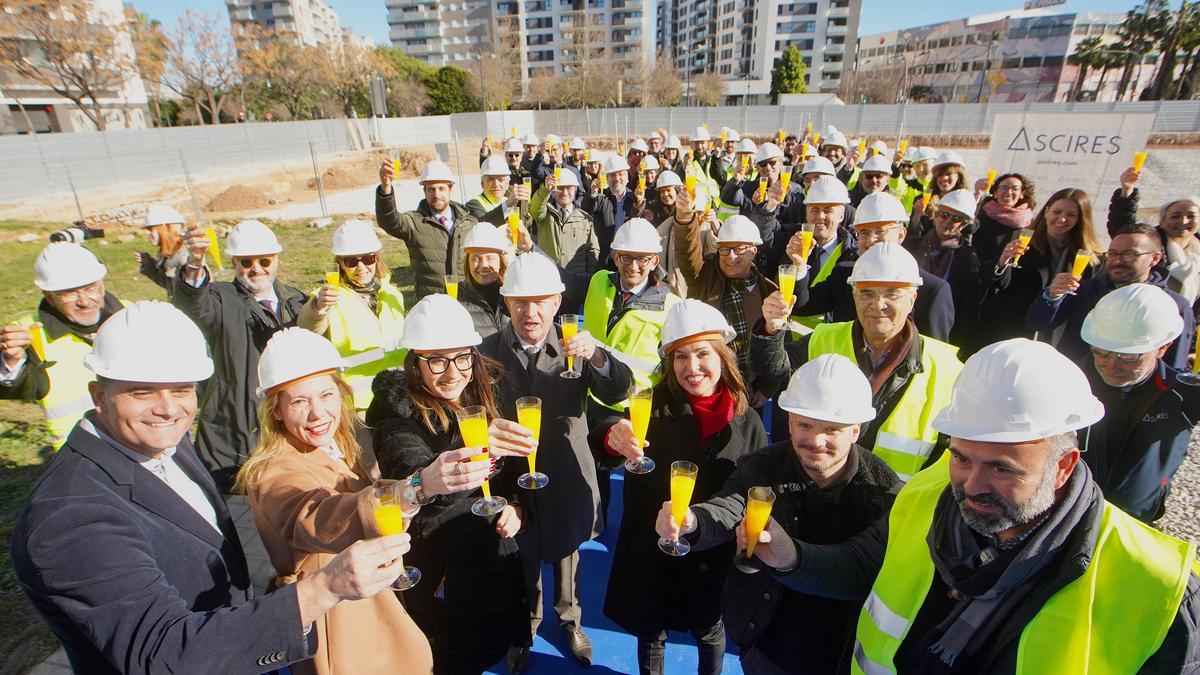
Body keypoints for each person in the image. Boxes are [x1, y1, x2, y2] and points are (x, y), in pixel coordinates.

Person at [11, 301, 416, 674]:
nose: (168, 408)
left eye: (182, 390)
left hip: (237, 646)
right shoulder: (71, 515)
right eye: (141, 391)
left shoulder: (165, 445)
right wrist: (324, 589)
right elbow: (163, 653)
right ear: (99, 395)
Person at [750, 338, 1200, 673]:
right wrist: (792, 559)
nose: (972, 485)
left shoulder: (1155, 588)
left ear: (1063, 466)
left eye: (1002, 469)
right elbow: (861, 565)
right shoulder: (928, 495)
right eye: (961, 458)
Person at [659, 354, 900, 674]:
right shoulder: (762, 466)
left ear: (856, 430)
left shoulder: (883, 493)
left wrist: (792, 557)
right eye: (805, 424)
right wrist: (694, 520)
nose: (816, 440)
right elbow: (730, 506)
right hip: (765, 641)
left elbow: (859, 567)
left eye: (832, 429)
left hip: (838, 653)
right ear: (789, 422)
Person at [235, 328, 434, 675]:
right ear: (276, 411)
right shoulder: (272, 472)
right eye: (299, 401)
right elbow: (316, 516)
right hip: (341, 622)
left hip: (368, 601)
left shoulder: (337, 443)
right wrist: (412, 490)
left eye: (326, 395)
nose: (317, 413)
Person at [596, 300, 767, 675]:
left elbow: (753, 491)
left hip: (713, 549)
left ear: (723, 356)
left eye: (703, 353)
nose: (692, 368)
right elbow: (607, 437)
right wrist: (614, 436)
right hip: (654, 543)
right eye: (680, 356)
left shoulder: (748, 420)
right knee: (650, 630)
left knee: (709, 627)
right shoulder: (652, 405)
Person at [481, 252, 635, 669]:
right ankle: (525, 627)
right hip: (514, 477)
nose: (530, 313)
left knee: (569, 548)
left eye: (541, 301)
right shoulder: (485, 353)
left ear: (557, 303)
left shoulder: (576, 345)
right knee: (520, 552)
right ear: (506, 303)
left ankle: (570, 621)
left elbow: (621, 389)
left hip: (566, 469)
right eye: (520, 303)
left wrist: (599, 356)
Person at [366, 295, 532, 674]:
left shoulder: (484, 394)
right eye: (437, 360)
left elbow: (510, 474)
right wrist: (466, 452)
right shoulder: (395, 417)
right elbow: (412, 470)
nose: (453, 372)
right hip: (445, 579)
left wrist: (519, 507)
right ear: (415, 363)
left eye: (462, 357)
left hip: (495, 561)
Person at [753, 242, 963, 481]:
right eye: (867, 293)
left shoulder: (947, 368)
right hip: (823, 491)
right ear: (854, 296)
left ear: (912, 299)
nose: (877, 304)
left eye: (891, 294)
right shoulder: (823, 338)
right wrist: (772, 328)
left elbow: (951, 457)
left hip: (894, 506)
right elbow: (773, 370)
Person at [175, 219, 307, 492]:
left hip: (286, 421)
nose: (256, 269)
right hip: (235, 427)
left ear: (276, 260)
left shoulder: (296, 300)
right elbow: (193, 304)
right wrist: (195, 263)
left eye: (264, 261)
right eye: (246, 262)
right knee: (234, 503)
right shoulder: (221, 298)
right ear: (234, 263)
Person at [1078, 284, 1199, 523]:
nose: (1112, 366)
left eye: (1129, 356)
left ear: (1163, 347)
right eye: (1101, 352)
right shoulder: (1071, 381)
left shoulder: (1180, 393)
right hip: (1067, 516)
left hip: (1134, 521)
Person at [0, 243, 122, 448]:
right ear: (49, 296)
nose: (84, 301)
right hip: (85, 457)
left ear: (101, 283)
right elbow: (19, 388)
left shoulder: (132, 314)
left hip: (153, 444)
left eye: (90, 288)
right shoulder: (29, 335)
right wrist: (10, 361)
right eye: (69, 293)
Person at [1026, 223, 1194, 370]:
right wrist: (1052, 296)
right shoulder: (1084, 289)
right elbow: (1037, 324)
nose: (1117, 260)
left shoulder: (1174, 305)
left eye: (1129, 254)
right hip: (1076, 382)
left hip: (1131, 396)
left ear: (1155, 258)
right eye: (1112, 253)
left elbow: (1174, 364)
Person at [795, 192, 956, 342]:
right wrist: (800, 265)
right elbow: (802, 305)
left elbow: (933, 350)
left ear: (901, 235)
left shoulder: (932, 291)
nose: (871, 240)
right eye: (864, 233)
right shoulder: (844, 274)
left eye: (880, 231)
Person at [675, 207, 792, 402]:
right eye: (725, 249)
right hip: (711, 387)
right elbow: (687, 252)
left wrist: (766, 388)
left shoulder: (770, 292)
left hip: (750, 390)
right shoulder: (704, 278)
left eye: (739, 249)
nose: (730, 256)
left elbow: (780, 345)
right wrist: (685, 218)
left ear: (753, 252)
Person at [971, 187, 1101, 356]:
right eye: (1057, 211)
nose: (1061, 219)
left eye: (1071, 215)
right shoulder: (1022, 239)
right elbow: (994, 282)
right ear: (1046, 211)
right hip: (1010, 331)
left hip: (1054, 337)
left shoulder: (1087, 257)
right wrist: (1002, 261)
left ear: (1081, 219)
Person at [296, 220, 407, 412]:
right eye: (351, 261)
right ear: (340, 263)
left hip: (400, 396)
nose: (361, 267)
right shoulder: (329, 297)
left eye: (367, 258)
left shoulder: (392, 294)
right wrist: (318, 307)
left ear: (377, 258)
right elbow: (308, 327)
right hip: (360, 405)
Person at [584, 217, 680, 408]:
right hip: (589, 395)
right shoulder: (599, 281)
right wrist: (530, 248)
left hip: (631, 408)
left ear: (654, 261)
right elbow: (566, 280)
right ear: (616, 258)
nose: (633, 267)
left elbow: (673, 372)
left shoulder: (671, 306)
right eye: (626, 257)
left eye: (642, 258)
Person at [376, 159, 481, 299]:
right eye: (431, 189)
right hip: (431, 306)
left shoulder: (469, 223)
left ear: (451, 189)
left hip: (467, 303)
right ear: (424, 191)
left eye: (441, 188)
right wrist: (385, 190)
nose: (436, 195)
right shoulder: (414, 222)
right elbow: (389, 221)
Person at [772, 176, 856, 331]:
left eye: (828, 210)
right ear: (806, 213)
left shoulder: (853, 257)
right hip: (791, 342)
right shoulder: (789, 242)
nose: (820, 217)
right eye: (815, 210)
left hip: (829, 343)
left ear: (841, 215)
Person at [1108, 167, 1200, 306]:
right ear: (1162, 221)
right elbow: (1122, 226)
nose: (1183, 221)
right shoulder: (1152, 240)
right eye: (1175, 216)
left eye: (1191, 216)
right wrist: (1127, 191)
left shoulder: (1197, 249)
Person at [909, 189, 982, 349]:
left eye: (956, 218)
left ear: (963, 225)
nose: (947, 221)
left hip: (937, 333)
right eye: (943, 214)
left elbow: (967, 310)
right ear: (935, 215)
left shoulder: (967, 259)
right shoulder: (912, 245)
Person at [654, 170, 716, 298]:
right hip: (671, 286)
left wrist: (716, 224)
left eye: (668, 190)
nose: (665, 195)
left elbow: (715, 250)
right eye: (662, 191)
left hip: (694, 288)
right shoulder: (670, 222)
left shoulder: (705, 227)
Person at [534, 167, 600, 275]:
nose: (564, 192)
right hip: (548, 277)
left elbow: (592, 251)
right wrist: (545, 189)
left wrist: (586, 278)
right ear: (553, 191)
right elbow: (534, 208)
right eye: (560, 188)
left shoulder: (585, 219)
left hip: (576, 280)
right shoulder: (544, 214)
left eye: (569, 188)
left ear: (575, 189)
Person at [457, 223, 516, 339]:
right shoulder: (455, 298)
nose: (483, 265)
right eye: (476, 258)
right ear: (468, 263)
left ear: (500, 261)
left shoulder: (513, 293)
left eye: (490, 258)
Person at [585, 154, 641, 262]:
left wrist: (640, 202)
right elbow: (586, 208)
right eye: (612, 175)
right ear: (607, 178)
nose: (617, 178)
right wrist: (592, 193)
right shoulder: (602, 198)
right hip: (605, 258)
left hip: (628, 258)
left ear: (627, 177)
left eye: (621, 174)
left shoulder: (634, 198)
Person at [971, 172, 1036, 265]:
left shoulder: (1028, 221)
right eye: (1004, 188)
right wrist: (978, 193)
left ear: (1022, 193)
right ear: (995, 193)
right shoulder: (982, 211)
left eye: (1015, 189)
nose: (1009, 192)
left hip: (1006, 273)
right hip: (976, 266)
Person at [134, 203, 188, 297]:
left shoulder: (185, 255)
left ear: (166, 228)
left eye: (152, 230)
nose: (149, 235)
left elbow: (197, 290)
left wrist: (176, 276)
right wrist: (149, 264)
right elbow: (167, 285)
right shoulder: (168, 255)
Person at [466, 155, 528, 223]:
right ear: (482, 184)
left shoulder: (507, 201)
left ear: (507, 184)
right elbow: (484, 223)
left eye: (501, 180)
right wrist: (508, 204)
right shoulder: (473, 205)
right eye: (491, 179)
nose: (496, 184)